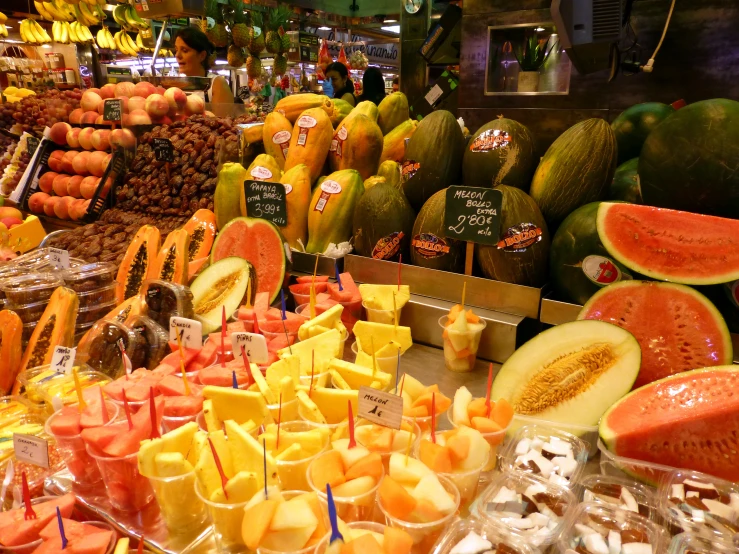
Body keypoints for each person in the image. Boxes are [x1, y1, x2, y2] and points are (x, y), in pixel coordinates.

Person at [174, 27, 233, 104]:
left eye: (185, 50)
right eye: (176, 50)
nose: (177, 55)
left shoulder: (216, 84)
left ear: (202, 56)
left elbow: (223, 116)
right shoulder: (176, 86)